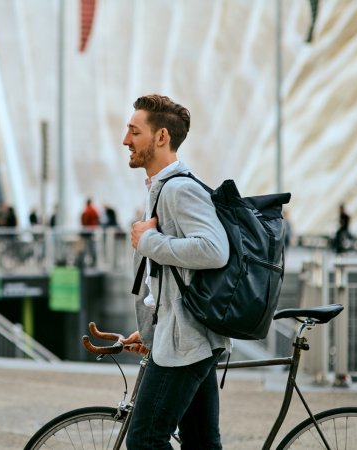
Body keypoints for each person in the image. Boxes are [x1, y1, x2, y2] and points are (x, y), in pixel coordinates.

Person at [119, 94, 230, 449]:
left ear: (162, 137)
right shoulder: (162, 187)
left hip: (186, 342)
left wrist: (148, 241)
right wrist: (151, 329)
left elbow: (214, 250)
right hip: (185, 336)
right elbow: (172, 280)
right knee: (200, 443)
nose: (126, 140)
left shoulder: (179, 189)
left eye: (134, 131)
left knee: (144, 440)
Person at [80, 198, 100, 266]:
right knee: (91, 246)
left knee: (87, 247)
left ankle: (88, 261)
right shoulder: (92, 210)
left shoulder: (87, 210)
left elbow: (84, 221)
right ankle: (92, 260)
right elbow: (97, 218)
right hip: (91, 231)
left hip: (87, 231)